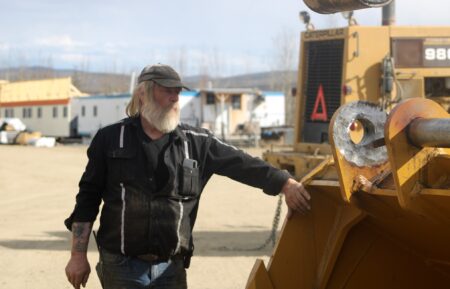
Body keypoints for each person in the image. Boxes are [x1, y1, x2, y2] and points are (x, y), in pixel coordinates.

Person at [64, 64, 311, 289]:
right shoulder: (110, 139)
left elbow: (242, 164)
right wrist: (78, 256)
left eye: (178, 92)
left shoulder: (196, 142)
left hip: (171, 269)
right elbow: (87, 199)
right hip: (121, 267)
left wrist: (284, 183)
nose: (175, 98)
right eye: (167, 91)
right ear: (143, 93)